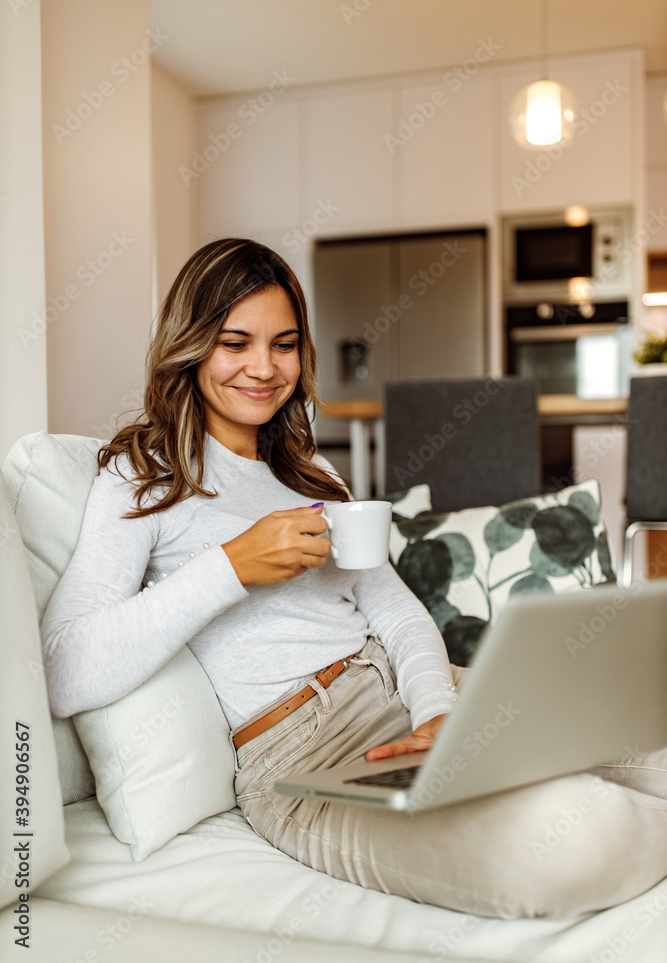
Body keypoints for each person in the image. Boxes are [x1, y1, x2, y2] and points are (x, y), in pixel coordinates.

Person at [41, 238, 667, 920]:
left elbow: (397, 614)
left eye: (283, 344)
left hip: (412, 690)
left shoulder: (313, 476)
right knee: (574, 841)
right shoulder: (146, 477)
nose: (262, 367)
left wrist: (437, 710)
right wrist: (228, 567)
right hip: (304, 755)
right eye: (235, 342)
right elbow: (64, 667)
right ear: (189, 347)